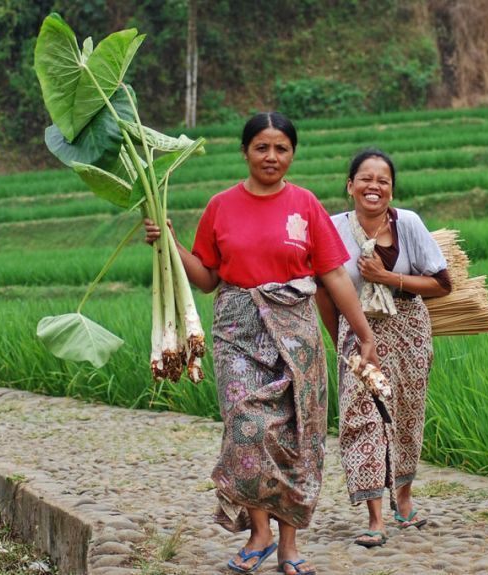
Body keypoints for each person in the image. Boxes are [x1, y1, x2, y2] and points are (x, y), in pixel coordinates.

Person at [145, 113, 379, 575]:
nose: (272, 157)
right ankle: (260, 531)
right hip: (238, 332)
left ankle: (288, 545)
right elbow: (208, 279)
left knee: (297, 435)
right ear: (245, 151)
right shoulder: (220, 207)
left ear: (292, 154)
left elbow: (333, 274)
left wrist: (364, 334)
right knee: (246, 432)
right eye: (262, 148)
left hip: (297, 331)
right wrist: (171, 245)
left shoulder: (305, 204)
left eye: (281, 149)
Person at [315, 148, 451, 548]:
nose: (374, 187)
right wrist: (340, 336)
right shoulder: (333, 227)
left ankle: (403, 501)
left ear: (391, 189)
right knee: (363, 420)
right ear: (350, 185)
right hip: (358, 333)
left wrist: (389, 277)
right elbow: (324, 290)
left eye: (383, 181)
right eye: (365, 179)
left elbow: (443, 284)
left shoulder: (407, 223)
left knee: (405, 415)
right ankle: (375, 518)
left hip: (408, 327)